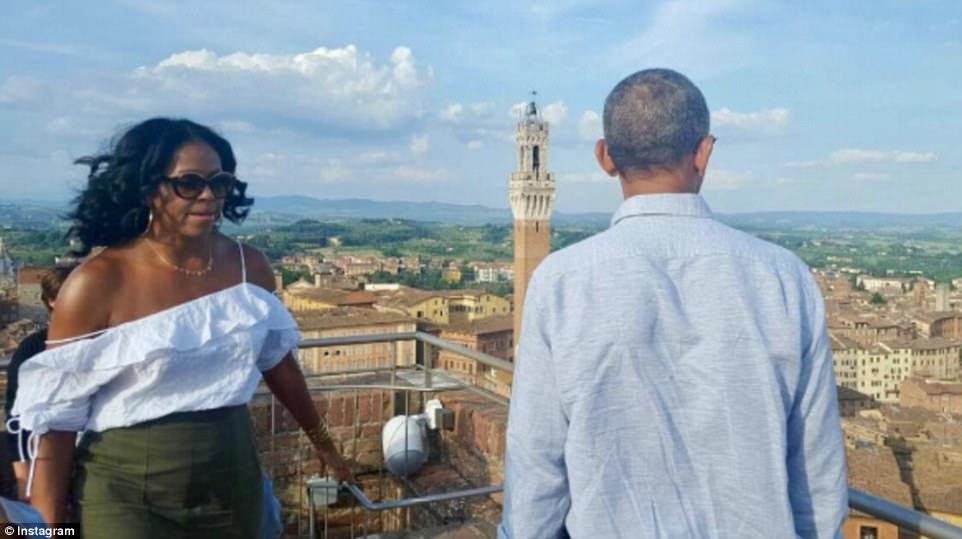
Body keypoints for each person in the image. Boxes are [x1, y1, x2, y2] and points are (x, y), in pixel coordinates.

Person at [499, 69, 847, 538]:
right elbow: (819, 488)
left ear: (605, 157)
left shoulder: (559, 284)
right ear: (704, 153)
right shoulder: (787, 280)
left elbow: (536, 481)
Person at [10, 118, 353, 537]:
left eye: (219, 182)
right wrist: (41, 531)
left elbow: (277, 363)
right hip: (125, 494)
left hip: (231, 482)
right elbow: (58, 420)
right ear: (148, 188)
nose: (209, 195)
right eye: (189, 183)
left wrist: (325, 444)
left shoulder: (249, 267)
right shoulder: (96, 282)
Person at [4, 265, 76, 500]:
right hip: (46, 462)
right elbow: (16, 416)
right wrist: (24, 476)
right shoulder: (33, 349)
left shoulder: (106, 341)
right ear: (52, 302)